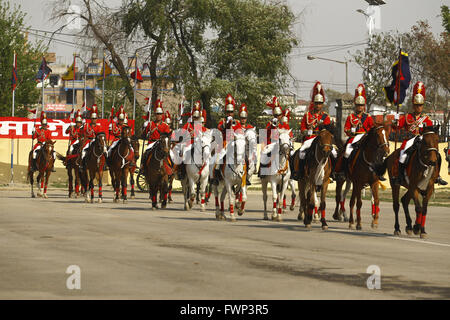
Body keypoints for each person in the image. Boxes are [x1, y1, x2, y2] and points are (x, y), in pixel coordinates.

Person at [391, 81, 447, 185]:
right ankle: (399, 176)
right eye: (416, 105)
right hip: (410, 140)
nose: (418, 107)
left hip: (422, 140)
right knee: (402, 155)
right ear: (413, 105)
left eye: (420, 105)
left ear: (423, 106)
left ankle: (437, 176)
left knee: (437, 155)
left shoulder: (427, 119)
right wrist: (395, 121)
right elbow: (397, 126)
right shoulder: (407, 117)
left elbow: (430, 133)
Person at [334, 84, 379, 179]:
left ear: (364, 106)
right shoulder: (351, 117)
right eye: (358, 105)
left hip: (365, 137)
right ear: (355, 105)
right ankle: (343, 171)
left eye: (361, 105)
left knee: (375, 152)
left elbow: (373, 128)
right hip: (354, 138)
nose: (360, 107)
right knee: (347, 152)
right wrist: (351, 131)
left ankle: (377, 172)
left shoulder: (368, 117)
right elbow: (346, 129)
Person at [291, 82, 332, 180]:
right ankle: (299, 172)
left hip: (321, 140)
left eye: (320, 103)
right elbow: (302, 129)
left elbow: (328, 130)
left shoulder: (326, 116)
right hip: (310, 139)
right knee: (301, 152)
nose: (318, 105)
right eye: (317, 103)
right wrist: (306, 132)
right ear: (313, 103)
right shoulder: (307, 115)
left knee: (334, 153)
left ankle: (331, 174)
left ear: (322, 104)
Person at [212, 94, 242, 184]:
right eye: (228, 112)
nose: (230, 113)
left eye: (231, 112)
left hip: (234, 143)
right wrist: (226, 124)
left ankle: (244, 176)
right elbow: (220, 128)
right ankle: (216, 177)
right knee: (218, 159)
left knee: (243, 157)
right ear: (226, 112)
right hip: (224, 144)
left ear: (233, 112)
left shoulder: (237, 122)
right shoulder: (222, 121)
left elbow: (240, 132)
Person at [141, 99, 171, 168]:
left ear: (162, 115)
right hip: (152, 143)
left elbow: (167, 136)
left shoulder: (165, 125)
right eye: (157, 114)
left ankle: (171, 169)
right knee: (146, 153)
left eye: (160, 114)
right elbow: (143, 135)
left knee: (170, 155)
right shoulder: (151, 124)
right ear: (155, 115)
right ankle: (143, 167)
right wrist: (144, 127)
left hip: (161, 143)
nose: (159, 116)